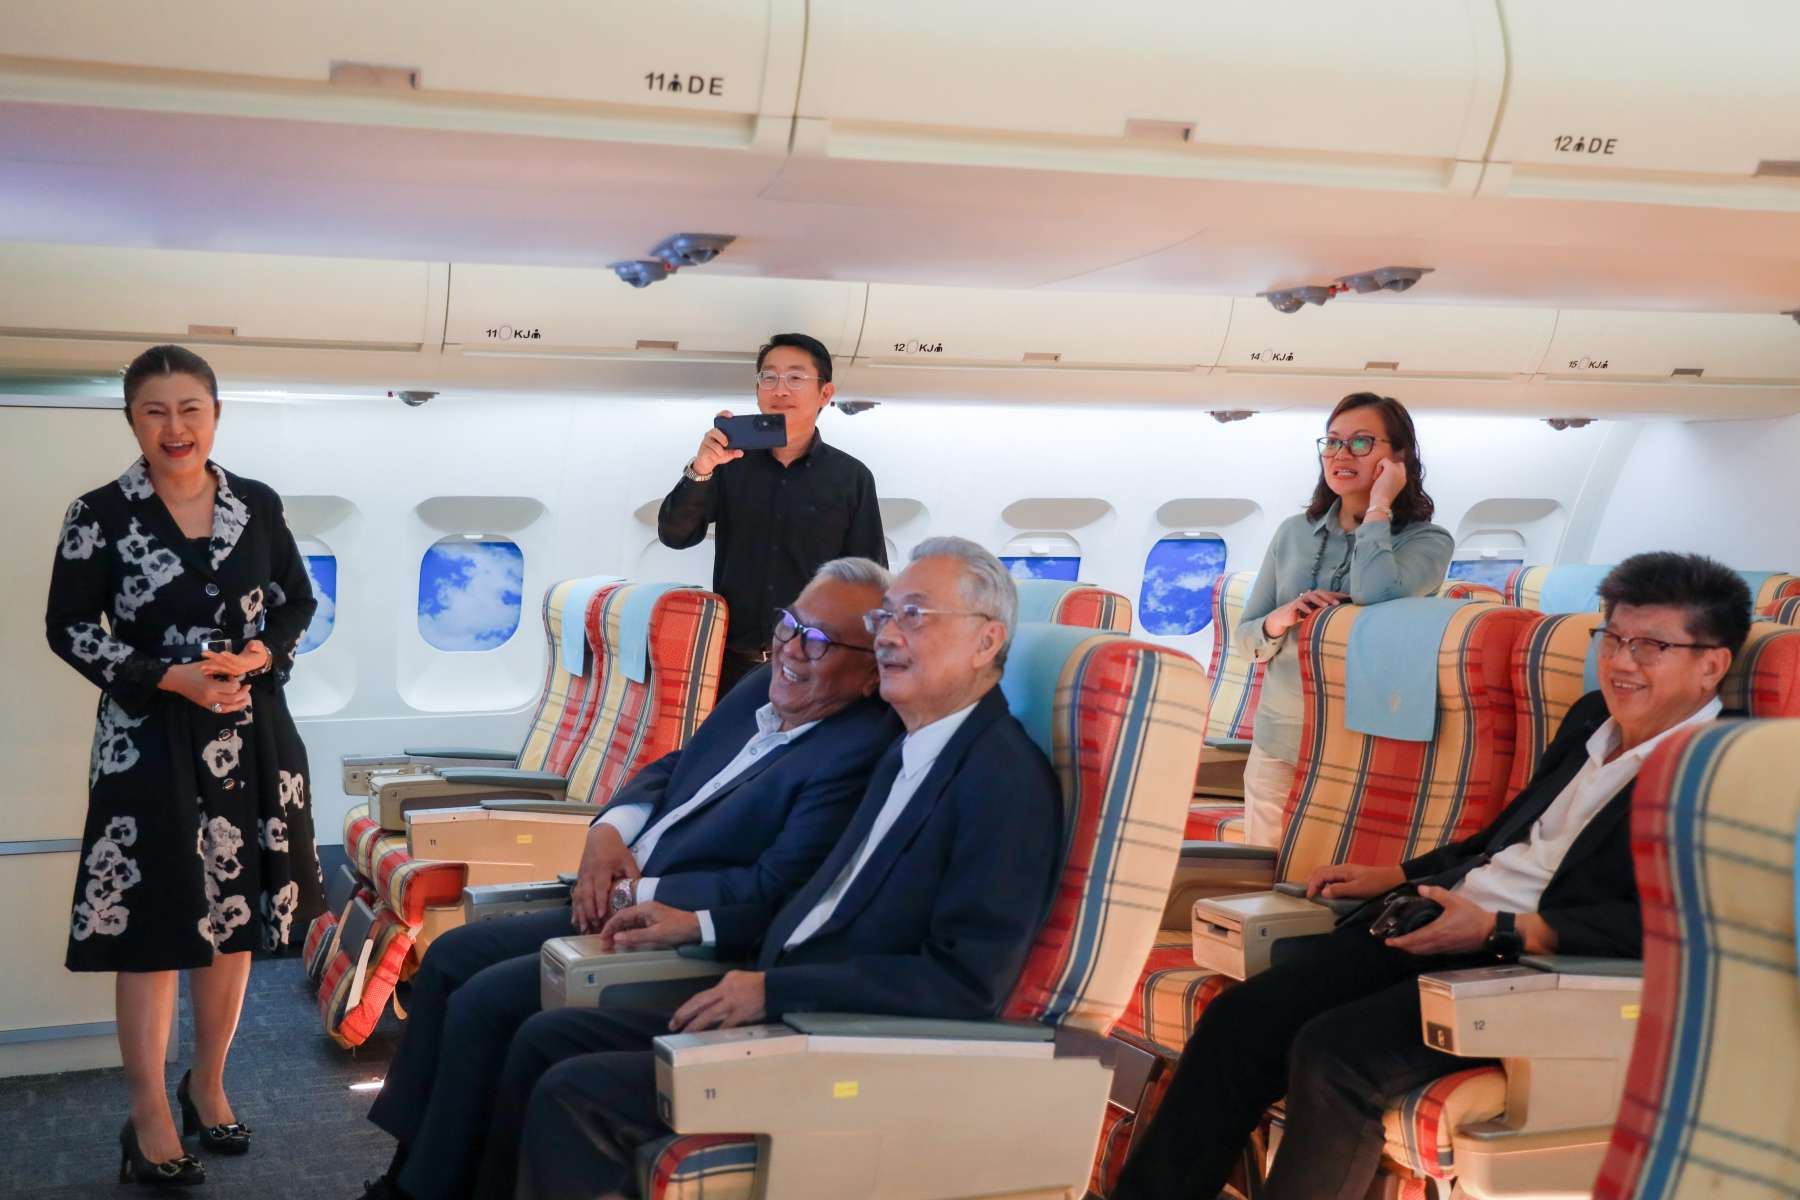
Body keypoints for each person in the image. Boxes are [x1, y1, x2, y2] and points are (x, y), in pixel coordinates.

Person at [1111, 552, 1748, 1200]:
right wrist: (1394, 874)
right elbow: (1501, 842)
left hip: (1529, 970)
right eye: (1611, 638)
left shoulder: (1729, 769)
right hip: (1444, 921)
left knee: (1335, 1055)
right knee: (1240, 1020)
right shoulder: (1591, 718)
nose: (1620, 662)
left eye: (1650, 646)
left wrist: (1503, 928)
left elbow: (1685, 930)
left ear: (1712, 664)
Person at [485, 536, 1063, 1200]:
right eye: (885, 617)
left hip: (843, 1046)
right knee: (546, 1039)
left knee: (573, 1089)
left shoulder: (1002, 783)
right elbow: (820, 905)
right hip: (780, 1001)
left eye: (914, 616)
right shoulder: (910, 750)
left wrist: (773, 993)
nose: (887, 636)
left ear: (986, 642)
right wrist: (701, 926)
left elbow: (966, 983)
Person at [356, 560, 903, 1200]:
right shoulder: (762, 685)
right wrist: (607, 833)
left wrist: (633, 892)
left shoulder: (857, 751)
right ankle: (415, 1171)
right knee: (451, 957)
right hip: (615, 883)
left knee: (488, 1002)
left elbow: (775, 886)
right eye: (790, 625)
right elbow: (675, 765)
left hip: (674, 927)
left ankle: (423, 1189)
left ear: (871, 673)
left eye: (820, 642)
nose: (791, 649)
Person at [44, 344, 322, 1185]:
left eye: (190, 408)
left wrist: (259, 655)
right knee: (154, 927)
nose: (176, 426)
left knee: (233, 919)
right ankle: (149, 1116)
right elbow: (69, 629)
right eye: (156, 410)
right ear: (132, 420)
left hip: (249, 734)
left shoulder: (257, 504)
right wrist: (170, 676)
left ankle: (207, 1085)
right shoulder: (99, 513)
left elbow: (296, 601)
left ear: (216, 414)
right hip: (148, 741)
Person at [1234, 393, 1453, 846]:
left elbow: (1376, 593)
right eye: (1332, 442)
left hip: (1364, 741)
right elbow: (1246, 641)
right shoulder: (1293, 533)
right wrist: (1281, 618)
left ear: (1398, 458)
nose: (1340, 454)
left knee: (1331, 872)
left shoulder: (1428, 542)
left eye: (1360, 442)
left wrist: (1379, 504)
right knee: (1261, 874)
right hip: (1280, 737)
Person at [658, 332, 886, 697]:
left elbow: (868, 582)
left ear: (825, 394)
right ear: (758, 390)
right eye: (769, 378)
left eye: (795, 378)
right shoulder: (729, 465)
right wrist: (701, 469)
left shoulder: (851, 478)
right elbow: (675, 535)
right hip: (732, 668)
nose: (780, 389)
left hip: (814, 665)